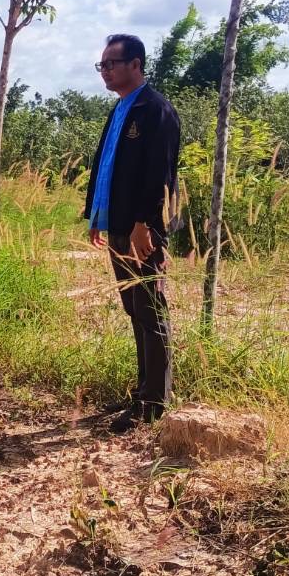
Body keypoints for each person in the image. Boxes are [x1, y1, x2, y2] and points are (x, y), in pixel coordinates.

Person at [83, 33, 181, 435]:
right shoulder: (122, 109)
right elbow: (106, 166)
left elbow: (160, 174)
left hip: (142, 229)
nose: (104, 71)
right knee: (134, 309)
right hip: (118, 224)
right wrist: (96, 215)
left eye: (111, 64)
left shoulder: (155, 110)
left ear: (136, 65)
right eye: (101, 65)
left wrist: (145, 223)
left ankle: (155, 403)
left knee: (151, 310)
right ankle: (142, 393)